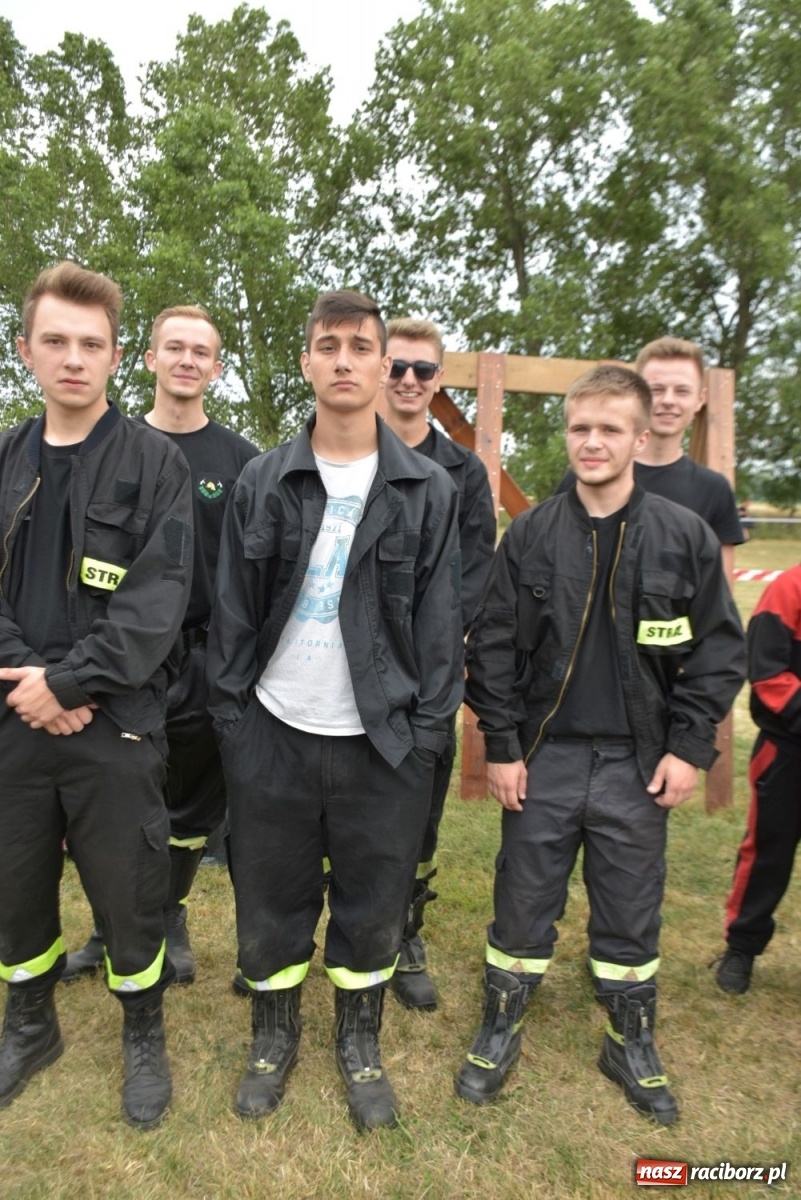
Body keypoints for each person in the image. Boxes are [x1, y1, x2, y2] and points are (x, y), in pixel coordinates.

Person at [456, 364, 745, 1124]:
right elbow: (489, 646)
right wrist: (503, 746)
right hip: (543, 758)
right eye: (580, 428)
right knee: (522, 901)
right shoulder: (531, 535)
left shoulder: (682, 537)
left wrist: (688, 750)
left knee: (628, 909)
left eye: (609, 429)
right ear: (567, 434)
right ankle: (500, 1023)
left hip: (637, 763)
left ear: (639, 437)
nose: (592, 442)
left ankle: (627, 1039)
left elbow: (716, 651)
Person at [206, 290, 463, 1131]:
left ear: (385, 365)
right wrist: (236, 727)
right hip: (273, 733)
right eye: (329, 345)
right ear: (308, 362)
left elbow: (439, 625)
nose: (345, 360)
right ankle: (272, 1038)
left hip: (381, 744)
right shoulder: (261, 478)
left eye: (362, 346)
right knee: (271, 901)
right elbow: (232, 611)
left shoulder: (428, 487)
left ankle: (359, 1043)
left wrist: (424, 738)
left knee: (371, 903)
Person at [0, 262, 194, 1128]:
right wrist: (29, 683)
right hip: (12, 719)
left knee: (128, 890)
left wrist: (72, 683)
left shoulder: (156, 465)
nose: (73, 359)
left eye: (91, 344)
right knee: (16, 885)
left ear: (118, 357)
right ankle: (30, 1022)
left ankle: (142, 1032)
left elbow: (158, 604)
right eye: (56, 342)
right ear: (25, 351)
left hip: (113, 724)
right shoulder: (3, 457)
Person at [63, 306, 260, 986]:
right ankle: (108, 927)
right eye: (172, 347)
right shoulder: (111, 448)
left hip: (205, 655)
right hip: (119, 654)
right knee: (115, 800)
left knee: (187, 807)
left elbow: (250, 569)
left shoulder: (241, 463)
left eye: (199, 352)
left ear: (216, 368)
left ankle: (169, 913)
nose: (185, 360)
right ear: (146, 358)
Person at [378, 317, 496, 1011]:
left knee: (418, 811)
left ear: (438, 379)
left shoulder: (463, 472)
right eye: (396, 367)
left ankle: (405, 930)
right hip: (345, 667)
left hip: (426, 673)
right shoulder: (344, 453)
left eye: (423, 370)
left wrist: (443, 651)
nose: (408, 381)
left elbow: (475, 573)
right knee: (336, 807)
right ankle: (340, 925)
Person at [557, 337, 744, 568]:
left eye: (682, 391)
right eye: (656, 389)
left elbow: (720, 591)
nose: (668, 400)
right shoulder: (584, 478)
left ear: (700, 399)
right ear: (638, 397)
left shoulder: (714, 489)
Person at [713, 565, 801, 993]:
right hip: (789, 750)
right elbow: (766, 673)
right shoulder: (791, 586)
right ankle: (742, 947)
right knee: (768, 850)